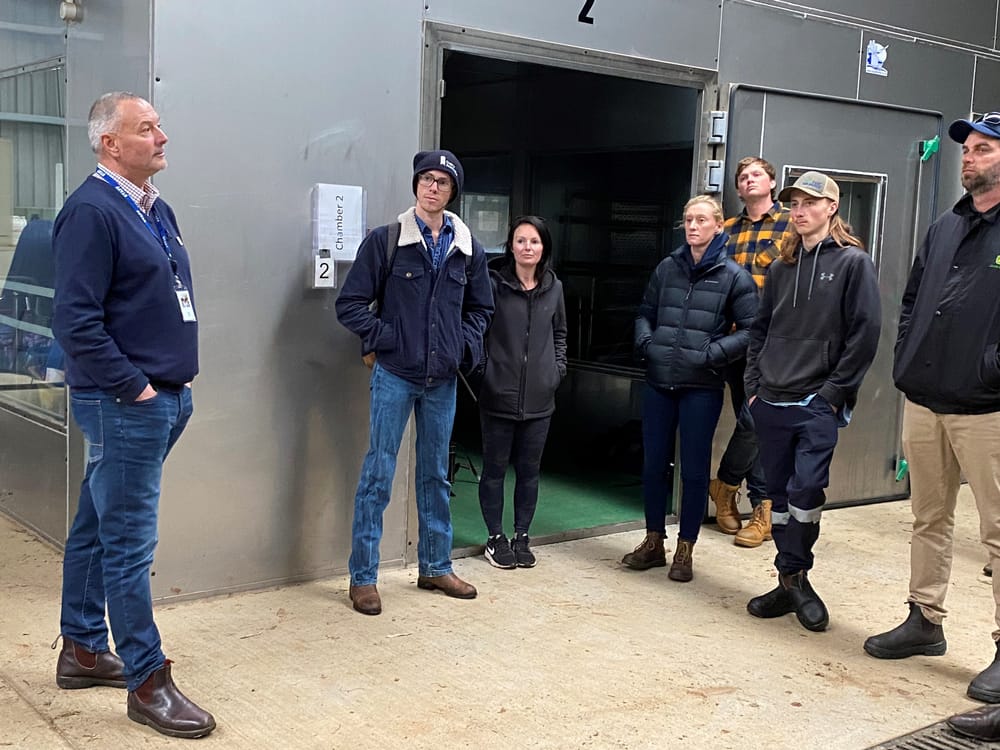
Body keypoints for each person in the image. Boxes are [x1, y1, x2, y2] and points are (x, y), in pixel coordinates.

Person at [52, 92, 214, 738]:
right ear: (109, 144)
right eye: (146, 129)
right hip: (125, 403)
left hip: (162, 397)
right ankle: (147, 680)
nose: (162, 137)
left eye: (159, 126)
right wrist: (136, 388)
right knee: (128, 542)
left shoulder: (153, 208)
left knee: (98, 524)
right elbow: (76, 322)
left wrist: (172, 383)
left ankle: (83, 648)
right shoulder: (91, 212)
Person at [863, 112, 1000, 716]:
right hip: (926, 397)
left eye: (983, 149)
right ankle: (924, 619)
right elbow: (915, 296)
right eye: (967, 150)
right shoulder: (946, 225)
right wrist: (908, 353)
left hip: (987, 407)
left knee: (998, 532)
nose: (968, 158)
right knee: (928, 516)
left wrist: (992, 369)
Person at [336, 149, 493, 616]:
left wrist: (462, 347)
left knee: (435, 475)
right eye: (426, 179)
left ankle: (436, 566)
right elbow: (350, 305)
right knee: (378, 474)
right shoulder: (386, 241)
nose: (432, 187)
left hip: (442, 380)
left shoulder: (467, 248)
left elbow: (481, 309)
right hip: (395, 376)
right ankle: (363, 578)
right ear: (416, 185)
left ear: (452, 192)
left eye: (442, 182)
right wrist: (387, 339)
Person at [744, 171, 881, 632]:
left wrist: (832, 394)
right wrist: (753, 387)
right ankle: (790, 581)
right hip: (771, 399)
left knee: (806, 492)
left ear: (831, 208)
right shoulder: (780, 268)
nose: (800, 211)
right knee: (779, 497)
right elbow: (760, 329)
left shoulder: (853, 263)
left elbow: (865, 334)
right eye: (795, 203)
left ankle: (795, 575)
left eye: (810, 203)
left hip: (815, 402)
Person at [622, 195, 757, 581]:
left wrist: (711, 354)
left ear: (718, 225)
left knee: (695, 471)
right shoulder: (667, 268)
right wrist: (647, 344)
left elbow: (752, 330)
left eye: (701, 220)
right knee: (653, 465)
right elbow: (645, 313)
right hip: (659, 382)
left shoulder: (734, 276)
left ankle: (686, 548)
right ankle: (653, 541)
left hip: (701, 386)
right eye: (688, 220)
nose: (693, 226)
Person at [710, 157, 795, 548]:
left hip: (774, 342)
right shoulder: (726, 230)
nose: (749, 181)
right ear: (738, 188)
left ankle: (727, 485)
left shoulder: (791, 225)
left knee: (757, 419)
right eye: (743, 177)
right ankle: (762, 509)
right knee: (757, 427)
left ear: (772, 182)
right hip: (733, 341)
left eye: (756, 174)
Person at [477, 216, 567, 569]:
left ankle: (522, 536)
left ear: (544, 248)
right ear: (510, 246)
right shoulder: (493, 284)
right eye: (520, 241)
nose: (527, 247)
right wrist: (485, 372)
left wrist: (556, 371)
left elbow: (560, 334)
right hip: (498, 394)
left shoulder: (554, 288)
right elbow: (477, 328)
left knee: (529, 471)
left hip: (540, 399)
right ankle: (495, 538)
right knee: (494, 470)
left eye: (534, 241)